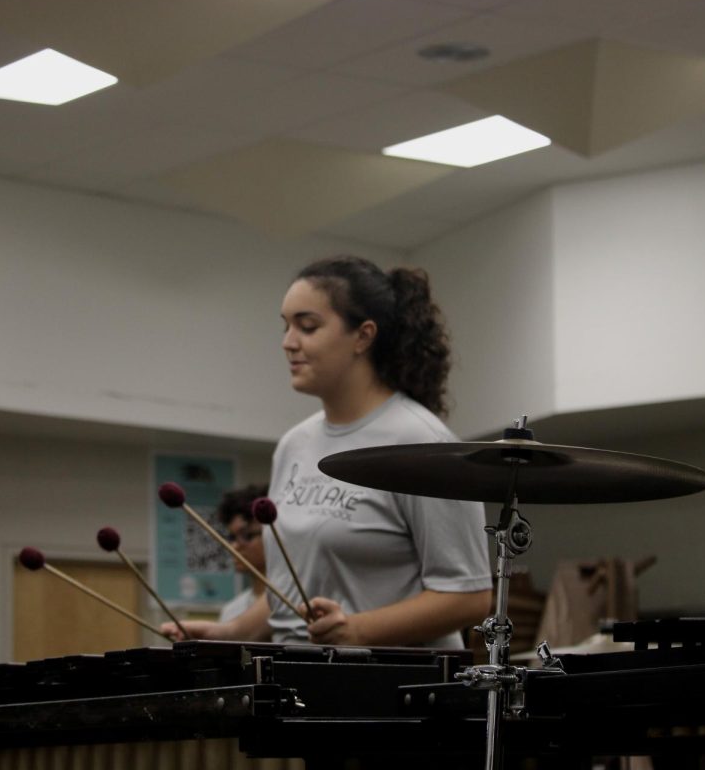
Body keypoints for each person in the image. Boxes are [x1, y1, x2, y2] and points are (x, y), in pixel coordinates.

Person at [164, 256, 492, 648]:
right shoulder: (294, 445)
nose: (288, 342)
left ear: (363, 336)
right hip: (302, 680)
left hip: (393, 693)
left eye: (307, 326)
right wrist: (231, 633)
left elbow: (469, 596)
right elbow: (297, 585)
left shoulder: (423, 444)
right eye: (285, 326)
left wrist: (358, 630)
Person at [217, 484, 269, 623]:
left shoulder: (297, 604)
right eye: (232, 538)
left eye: (246, 536)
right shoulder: (231, 612)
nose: (234, 546)